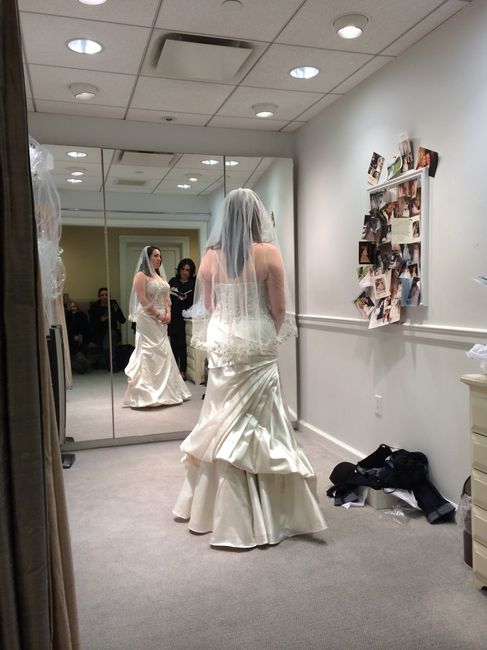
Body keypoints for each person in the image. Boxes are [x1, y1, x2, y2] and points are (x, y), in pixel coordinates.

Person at [173, 188, 326, 549]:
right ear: (257, 217)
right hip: (257, 339)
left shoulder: (210, 258)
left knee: (220, 414)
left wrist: (231, 323)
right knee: (263, 418)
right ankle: (273, 509)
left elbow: (210, 305)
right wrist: (262, 332)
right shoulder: (269, 253)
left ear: (225, 219)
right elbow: (279, 309)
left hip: (224, 338)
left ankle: (215, 509)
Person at [123, 246, 191, 408]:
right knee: (149, 351)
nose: (159, 259)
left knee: (163, 351)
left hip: (162, 319)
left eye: (160, 256)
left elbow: (166, 297)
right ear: (147, 257)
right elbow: (142, 299)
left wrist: (168, 313)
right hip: (147, 318)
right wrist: (158, 315)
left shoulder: (159, 277)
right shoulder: (141, 275)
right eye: (155, 255)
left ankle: (168, 390)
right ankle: (147, 392)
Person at [168, 258, 196, 380]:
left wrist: (185, 298)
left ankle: (183, 370)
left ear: (191, 272)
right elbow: (166, 298)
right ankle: (174, 370)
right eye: (183, 269)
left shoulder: (194, 283)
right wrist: (171, 292)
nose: (184, 272)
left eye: (187, 270)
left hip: (186, 316)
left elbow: (196, 299)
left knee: (183, 344)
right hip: (174, 316)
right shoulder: (173, 281)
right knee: (173, 343)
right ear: (179, 269)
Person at [89, 287, 126, 370]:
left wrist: (116, 311)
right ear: (99, 296)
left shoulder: (113, 305)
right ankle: (111, 362)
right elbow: (91, 324)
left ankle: (107, 360)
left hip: (113, 332)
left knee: (112, 334)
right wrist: (101, 320)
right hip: (99, 333)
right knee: (111, 337)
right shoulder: (95, 307)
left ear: (109, 296)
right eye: (102, 295)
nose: (104, 297)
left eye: (106, 295)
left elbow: (123, 320)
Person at [65, 300, 91, 373]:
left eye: (74, 306)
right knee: (72, 345)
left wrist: (80, 336)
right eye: (70, 307)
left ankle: (80, 361)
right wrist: (73, 336)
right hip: (70, 338)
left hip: (82, 337)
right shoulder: (66, 316)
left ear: (77, 307)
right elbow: (66, 329)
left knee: (80, 346)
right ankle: (81, 362)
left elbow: (86, 328)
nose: (73, 308)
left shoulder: (82, 315)